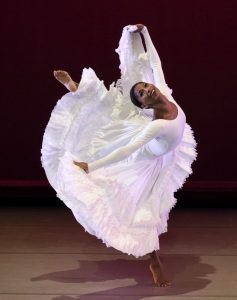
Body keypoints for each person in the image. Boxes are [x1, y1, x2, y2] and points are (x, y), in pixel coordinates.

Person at [42, 24, 197, 287]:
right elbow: (127, 150)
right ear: (145, 105)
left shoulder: (165, 92)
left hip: (165, 154)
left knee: (109, 115)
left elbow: (155, 62)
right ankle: (154, 261)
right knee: (141, 211)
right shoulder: (156, 125)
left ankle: (76, 89)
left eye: (145, 86)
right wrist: (91, 166)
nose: (148, 88)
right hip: (143, 163)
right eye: (141, 93)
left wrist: (145, 33)